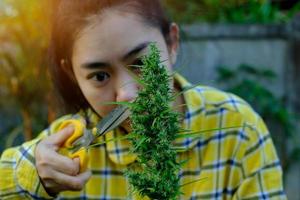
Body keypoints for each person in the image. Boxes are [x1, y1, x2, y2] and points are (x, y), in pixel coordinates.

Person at [0, 0, 286, 199]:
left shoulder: (236, 126)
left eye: (140, 63)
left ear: (172, 43)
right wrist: (31, 172)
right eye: (100, 76)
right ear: (73, 75)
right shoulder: (69, 146)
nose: (127, 95)